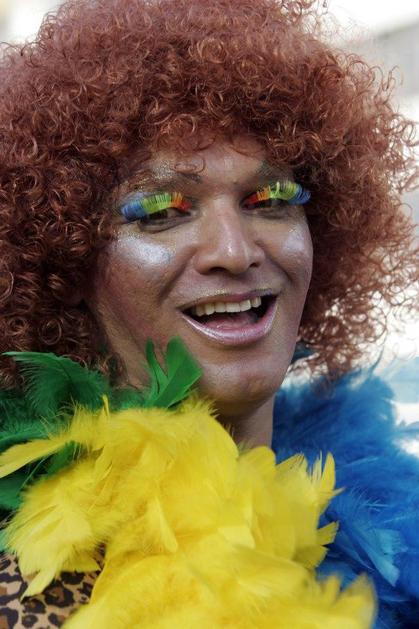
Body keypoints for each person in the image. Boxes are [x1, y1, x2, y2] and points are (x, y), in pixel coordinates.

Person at [0, 0, 417, 627]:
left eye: (270, 198)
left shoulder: (388, 530)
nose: (235, 251)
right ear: (66, 261)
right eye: (161, 210)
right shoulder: (30, 588)